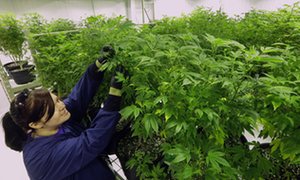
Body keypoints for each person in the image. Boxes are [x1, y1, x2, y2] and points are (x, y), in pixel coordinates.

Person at [1, 45, 127, 180]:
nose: (61, 106)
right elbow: (90, 142)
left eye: (57, 100)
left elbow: (75, 100)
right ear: (35, 124)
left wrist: (95, 69)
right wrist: (113, 98)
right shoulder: (41, 158)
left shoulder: (51, 124)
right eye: (53, 107)